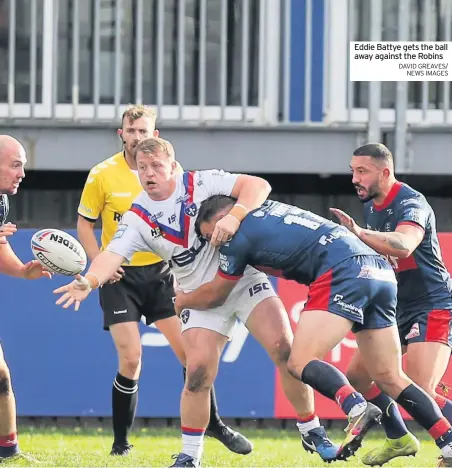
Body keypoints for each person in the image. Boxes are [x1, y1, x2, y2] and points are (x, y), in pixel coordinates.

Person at [55, 137, 339, 468]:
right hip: (199, 297)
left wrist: (235, 215)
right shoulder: (136, 217)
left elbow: (258, 185)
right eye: (143, 167)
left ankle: (311, 429)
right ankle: (190, 455)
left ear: (173, 166)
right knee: (197, 373)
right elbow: (111, 256)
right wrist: (88, 281)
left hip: (241, 280)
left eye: (157, 166)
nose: (149, 173)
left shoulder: (201, 182)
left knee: (285, 351)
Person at [172, 194, 452, 467]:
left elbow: (216, 295)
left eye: (212, 236)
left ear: (224, 218)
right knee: (390, 376)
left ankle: (356, 407)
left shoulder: (236, 236)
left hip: (343, 271)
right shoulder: (266, 205)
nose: (215, 243)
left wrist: (182, 299)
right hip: (379, 269)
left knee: (299, 361)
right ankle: (447, 443)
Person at [77, 106, 251, 456]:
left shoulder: (172, 171)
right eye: (131, 130)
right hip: (119, 277)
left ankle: (214, 424)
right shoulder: (102, 174)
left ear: (155, 135)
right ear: (121, 134)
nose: (138, 136)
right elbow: (85, 224)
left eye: (144, 131)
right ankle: (121, 444)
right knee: (131, 358)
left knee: (192, 356)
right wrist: (100, 265)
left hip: (162, 274)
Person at [329, 142, 452, 466]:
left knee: (421, 389)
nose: (355, 178)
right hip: (395, 307)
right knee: (358, 376)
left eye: (362, 171)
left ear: (385, 172)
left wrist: (358, 232)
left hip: (433, 303)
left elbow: (404, 245)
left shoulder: (411, 203)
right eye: (353, 171)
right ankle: (398, 438)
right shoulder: (373, 203)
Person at [0, 135, 52, 460]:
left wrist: (22, 271)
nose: (22, 173)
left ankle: (8, 451)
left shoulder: (1, 201)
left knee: (1, 377)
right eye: (16, 165)